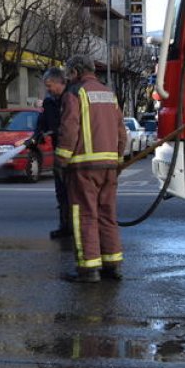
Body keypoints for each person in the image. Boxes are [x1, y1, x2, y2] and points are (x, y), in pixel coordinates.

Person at [55, 54, 128, 283]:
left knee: (85, 215)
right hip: (108, 165)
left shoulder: (75, 93)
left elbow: (69, 128)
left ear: (76, 71)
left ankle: (88, 269)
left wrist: (61, 159)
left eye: (69, 73)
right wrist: (117, 158)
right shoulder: (108, 93)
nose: (68, 78)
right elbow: (121, 132)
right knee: (107, 214)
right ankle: (112, 265)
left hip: (83, 167)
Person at [37, 68, 68, 239]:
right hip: (59, 153)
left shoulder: (71, 98)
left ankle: (75, 227)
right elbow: (42, 122)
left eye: (50, 85)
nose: (48, 89)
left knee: (73, 193)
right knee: (61, 192)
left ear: (60, 82)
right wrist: (38, 133)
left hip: (72, 155)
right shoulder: (50, 102)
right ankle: (65, 225)